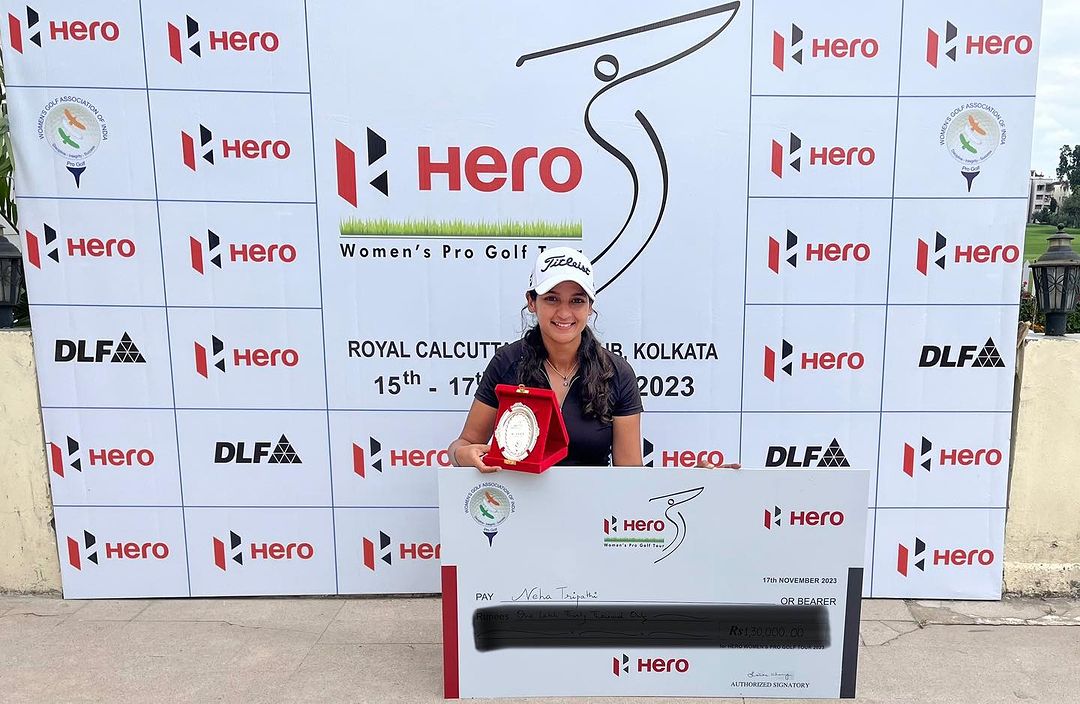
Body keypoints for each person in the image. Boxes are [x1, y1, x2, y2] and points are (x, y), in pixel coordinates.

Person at [447, 247, 740, 472]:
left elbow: (630, 472)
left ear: (590, 306)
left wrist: (691, 479)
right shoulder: (507, 363)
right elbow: (463, 444)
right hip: (518, 513)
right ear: (532, 302)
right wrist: (464, 455)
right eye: (551, 298)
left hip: (592, 518)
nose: (564, 312)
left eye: (577, 300)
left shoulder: (616, 373)